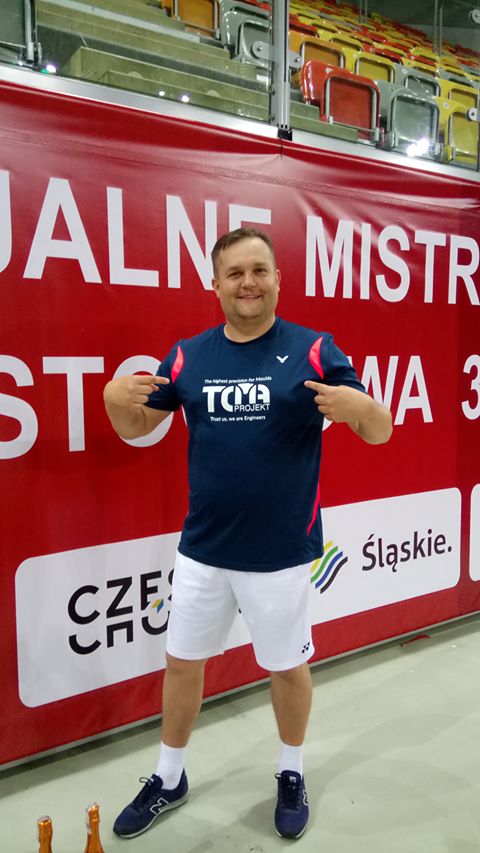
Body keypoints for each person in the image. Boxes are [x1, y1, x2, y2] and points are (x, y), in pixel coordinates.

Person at [103, 227, 392, 841]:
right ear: (215, 284)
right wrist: (111, 398)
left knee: (286, 667)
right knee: (182, 663)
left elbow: (379, 431)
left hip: (280, 553)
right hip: (204, 549)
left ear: (278, 279)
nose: (249, 283)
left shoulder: (315, 349)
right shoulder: (188, 355)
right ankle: (169, 776)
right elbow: (136, 426)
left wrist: (363, 410)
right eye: (235, 273)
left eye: (259, 270)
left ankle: (291, 771)